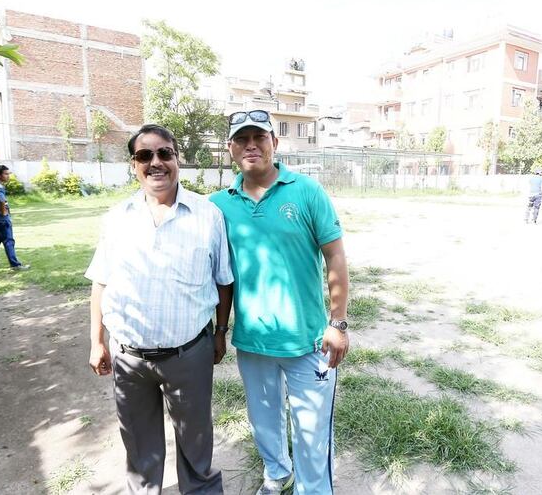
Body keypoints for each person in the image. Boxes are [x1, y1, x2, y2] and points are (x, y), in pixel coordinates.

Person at [85, 124, 233, 494]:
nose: (156, 163)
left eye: (164, 153)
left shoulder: (207, 215)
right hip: (129, 358)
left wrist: (219, 332)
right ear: (133, 164)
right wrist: (96, 341)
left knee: (195, 440)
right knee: (139, 446)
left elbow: (224, 280)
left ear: (177, 158)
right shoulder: (117, 218)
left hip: (189, 354)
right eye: (144, 155)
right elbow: (101, 281)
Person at [210, 110, 350, 495]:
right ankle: (278, 474)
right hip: (253, 341)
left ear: (275, 141)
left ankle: (313, 490)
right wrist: (220, 331)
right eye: (241, 139)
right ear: (230, 149)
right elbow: (222, 278)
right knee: (263, 421)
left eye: (259, 136)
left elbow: (335, 256)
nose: (251, 145)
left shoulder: (306, 191)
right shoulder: (218, 206)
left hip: (308, 342)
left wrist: (337, 324)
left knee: (312, 432)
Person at [0, 165, 29, 271]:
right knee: (8, 240)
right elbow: (1, 199)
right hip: (1, 218)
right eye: (6, 174)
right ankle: (15, 265)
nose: (8, 176)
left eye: (8, 173)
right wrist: (4, 213)